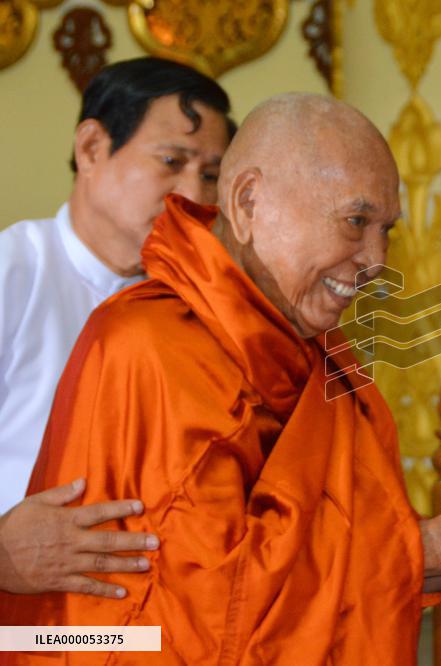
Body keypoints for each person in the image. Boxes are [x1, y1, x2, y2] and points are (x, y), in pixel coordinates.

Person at [0, 93, 441, 664]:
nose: (376, 258)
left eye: (387, 231)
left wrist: (433, 549)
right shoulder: (150, 346)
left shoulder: (319, 353)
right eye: (356, 221)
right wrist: (421, 550)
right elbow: (197, 616)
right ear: (248, 201)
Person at [0, 57, 235, 599]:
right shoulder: (16, 272)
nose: (194, 197)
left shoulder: (206, 302)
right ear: (91, 148)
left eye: (210, 175)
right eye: (172, 161)